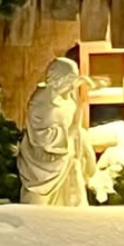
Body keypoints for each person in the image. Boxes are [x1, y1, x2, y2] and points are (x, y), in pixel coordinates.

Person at [18, 58, 96, 207]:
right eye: (70, 80)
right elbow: (43, 138)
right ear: (59, 79)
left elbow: (74, 121)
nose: (72, 85)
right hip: (45, 164)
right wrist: (69, 135)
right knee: (38, 209)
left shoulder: (66, 97)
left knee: (71, 200)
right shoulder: (42, 102)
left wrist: (78, 92)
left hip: (66, 159)